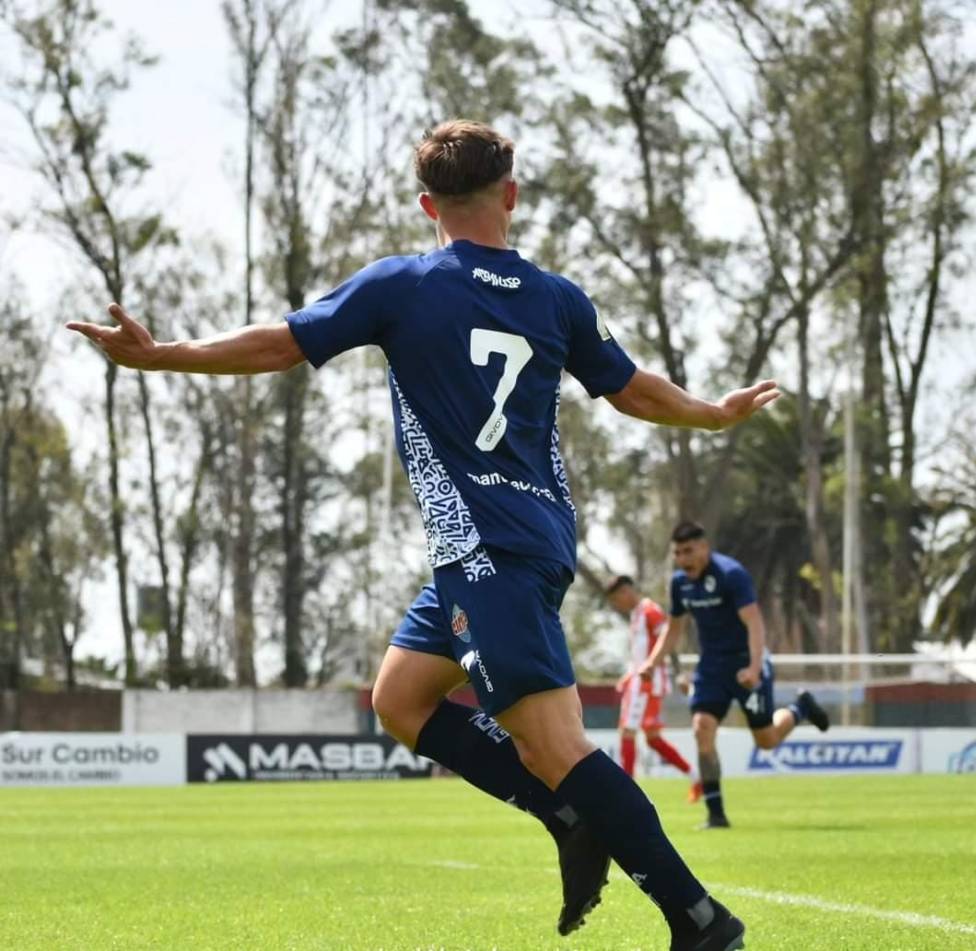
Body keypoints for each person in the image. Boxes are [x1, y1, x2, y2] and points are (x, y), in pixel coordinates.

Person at [68, 119, 782, 950]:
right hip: (511, 543)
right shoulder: (557, 298)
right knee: (400, 699)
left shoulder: (403, 284)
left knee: (555, 744)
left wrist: (165, 356)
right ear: (509, 196)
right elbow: (631, 390)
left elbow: (282, 343)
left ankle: (699, 919)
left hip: (489, 549)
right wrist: (712, 411)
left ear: (425, 207)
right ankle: (567, 816)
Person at [639, 521, 830, 830]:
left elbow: (754, 623)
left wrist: (754, 667)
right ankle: (716, 814)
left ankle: (801, 708)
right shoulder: (680, 584)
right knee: (702, 728)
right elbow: (674, 628)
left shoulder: (731, 575)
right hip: (711, 668)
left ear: (704, 547)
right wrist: (651, 662)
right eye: (677, 553)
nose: (683, 559)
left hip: (745, 665)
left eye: (688, 551)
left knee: (766, 740)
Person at [605, 575, 701, 801]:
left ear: (626, 591)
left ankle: (626, 793)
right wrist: (629, 676)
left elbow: (669, 640)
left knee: (627, 732)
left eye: (616, 598)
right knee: (652, 738)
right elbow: (641, 653)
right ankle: (696, 776)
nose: (616, 604)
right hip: (640, 681)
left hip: (648, 683)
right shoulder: (636, 615)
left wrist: (678, 673)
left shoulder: (650, 611)